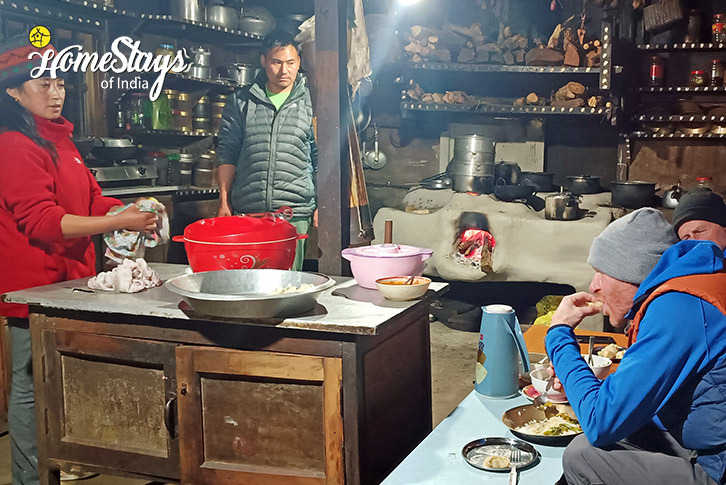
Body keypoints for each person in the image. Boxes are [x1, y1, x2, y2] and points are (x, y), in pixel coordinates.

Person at [0, 37, 158, 485]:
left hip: (66, 282)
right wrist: (117, 220)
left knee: (59, 379)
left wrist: (133, 212)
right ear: (13, 91)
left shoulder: (60, 141)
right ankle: (31, 478)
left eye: (60, 83)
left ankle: (61, 459)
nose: (56, 92)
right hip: (31, 287)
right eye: (43, 83)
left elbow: (90, 199)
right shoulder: (14, 144)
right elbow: (42, 222)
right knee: (31, 385)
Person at [546, 207, 726, 485]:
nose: (593, 286)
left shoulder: (680, 309)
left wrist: (559, 334)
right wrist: (583, 384)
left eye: (601, 272)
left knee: (581, 455)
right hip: (704, 442)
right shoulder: (694, 287)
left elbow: (600, 422)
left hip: (716, 468)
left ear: (631, 272)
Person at [216, 31, 317, 271]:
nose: (284, 71)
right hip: (249, 213)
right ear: (263, 61)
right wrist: (223, 201)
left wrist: (323, 207)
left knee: (288, 286)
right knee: (248, 284)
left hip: (294, 212)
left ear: (299, 62)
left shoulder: (313, 102)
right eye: (277, 62)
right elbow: (228, 152)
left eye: (291, 63)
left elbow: (321, 157)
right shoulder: (241, 101)